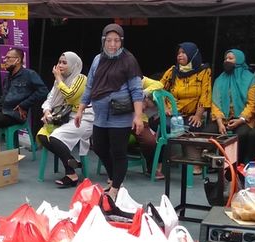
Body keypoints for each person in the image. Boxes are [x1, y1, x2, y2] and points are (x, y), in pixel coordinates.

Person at [74, 23, 144, 206]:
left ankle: (115, 187)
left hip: (120, 115)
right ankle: (115, 179)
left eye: (117, 40)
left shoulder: (129, 61)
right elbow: (89, 86)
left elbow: (137, 91)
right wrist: (81, 109)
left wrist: (138, 116)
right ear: (103, 41)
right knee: (99, 146)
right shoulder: (98, 59)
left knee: (119, 152)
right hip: (100, 114)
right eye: (109, 40)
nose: (113, 44)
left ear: (122, 41)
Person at [37, 51, 93, 188]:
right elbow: (50, 98)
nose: (60, 65)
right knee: (43, 136)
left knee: (56, 138)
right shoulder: (60, 80)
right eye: (59, 62)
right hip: (65, 117)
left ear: (73, 64)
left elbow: (70, 95)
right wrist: (47, 111)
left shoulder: (81, 78)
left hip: (84, 118)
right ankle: (72, 160)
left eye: (64, 62)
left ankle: (71, 174)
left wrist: (58, 79)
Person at [159, 41, 212, 175]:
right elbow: (158, 89)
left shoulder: (204, 71)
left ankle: (193, 161)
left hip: (192, 114)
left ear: (192, 55)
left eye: (183, 53)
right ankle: (162, 164)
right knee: (165, 126)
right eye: (178, 53)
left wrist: (198, 115)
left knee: (192, 125)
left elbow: (205, 95)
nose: (180, 56)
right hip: (173, 113)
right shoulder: (173, 71)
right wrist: (164, 107)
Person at [206, 48, 255, 163]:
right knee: (208, 132)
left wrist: (240, 120)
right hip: (223, 118)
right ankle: (213, 164)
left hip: (243, 119)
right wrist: (220, 122)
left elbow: (252, 104)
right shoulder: (220, 79)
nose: (227, 61)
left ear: (239, 60)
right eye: (226, 58)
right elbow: (215, 102)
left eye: (231, 58)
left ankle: (235, 165)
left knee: (241, 134)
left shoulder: (251, 79)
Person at [129, 76, 164, 177]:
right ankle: (113, 172)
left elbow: (159, 84)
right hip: (120, 118)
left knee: (150, 142)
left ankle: (151, 168)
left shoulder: (140, 80)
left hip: (140, 120)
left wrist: (142, 96)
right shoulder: (115, 81)